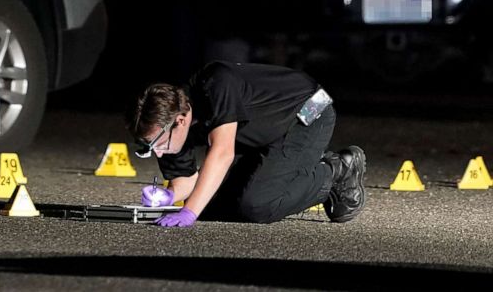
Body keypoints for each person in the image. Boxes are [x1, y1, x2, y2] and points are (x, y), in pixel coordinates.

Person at [126, 60, 365, 226]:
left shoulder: (217, 84)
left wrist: (189, 212)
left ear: (179, 121)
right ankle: (297, 173)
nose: (156, 152)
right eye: (147, 148)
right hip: (264, 134)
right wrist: (169, 196)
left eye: (155, 144)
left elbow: (222, 153)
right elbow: (186, 181)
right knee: (211, 205)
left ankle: (334, 171)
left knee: (257, 205)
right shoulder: (171, 128)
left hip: (310, 111)